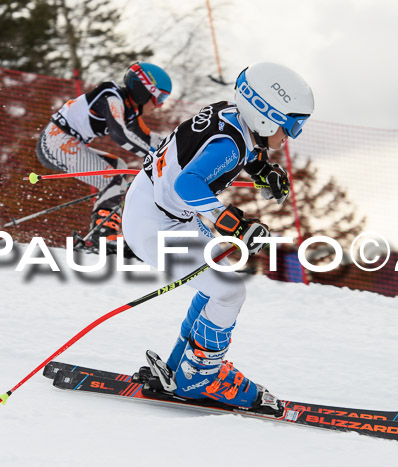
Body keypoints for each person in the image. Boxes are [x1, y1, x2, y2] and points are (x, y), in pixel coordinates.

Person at [121, 62, 314, 415]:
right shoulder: (228, 145)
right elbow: (188, 183)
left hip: (158, 211)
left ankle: (183, 367)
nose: (290, 136)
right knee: (229, 292)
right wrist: (233, 223)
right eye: (290, 127)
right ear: (266, 118)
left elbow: (236, 148)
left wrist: (261, 170)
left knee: (220, 284)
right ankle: (199, 378)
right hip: (157, 228)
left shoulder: (231, 116)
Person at [36, 62, 172, 247]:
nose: (159, 105)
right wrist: (156, 159)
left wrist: (178, 150)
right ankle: (102, 235)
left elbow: (149, 139)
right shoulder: (111, 95)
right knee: (116, 175)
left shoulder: (128, 108)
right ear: (144, 90)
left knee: (119, 170)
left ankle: (104, 232)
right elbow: (119, 133)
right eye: (159, 97)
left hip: (66, 142)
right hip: (56, 141)